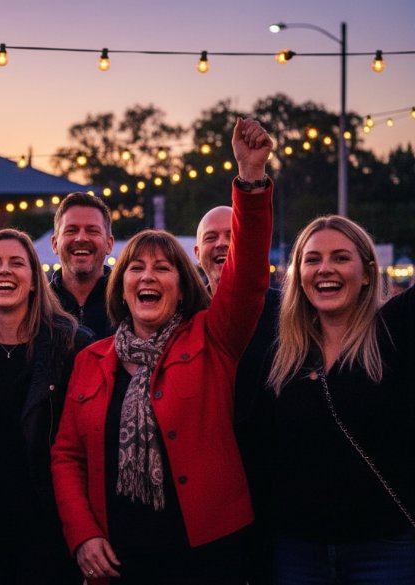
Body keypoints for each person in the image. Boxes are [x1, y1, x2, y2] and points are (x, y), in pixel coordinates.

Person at [51, 118, 274, 584]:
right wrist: (82, 534)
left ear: (182, 284)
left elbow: (248, 274)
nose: (148, 276)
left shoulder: (213, 338)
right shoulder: (91, 360)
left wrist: (250, 179)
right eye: (136, 267)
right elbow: (67, 456)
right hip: (118, 558)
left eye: (163, 268)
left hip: (207, 555)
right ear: (122, 284)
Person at [266, 215, 415, 584]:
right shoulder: (280, 350)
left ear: (367, 273)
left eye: (341, 258)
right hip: (298, 553)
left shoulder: (396, 330)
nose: (325, 269)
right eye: (312, 259)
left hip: (386, 549)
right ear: (298, 274)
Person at [0, 228, 91, 583]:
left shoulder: (71, 345)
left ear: (35, 280)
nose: (4, 270)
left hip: (48, 522)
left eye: (16, 263)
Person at [195, 205, 281, 585]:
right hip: (210, 489)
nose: (221, 243)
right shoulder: (184, 315)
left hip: (275, 482)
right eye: (211, 237)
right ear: (197, 252)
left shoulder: (286, 309)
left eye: (231, 235)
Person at [50, 192, 117, 338]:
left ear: (109, 244)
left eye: (92, 231)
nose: (81, 238)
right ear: (55, 244)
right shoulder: (38, 307)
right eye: (71, 230)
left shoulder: (127, 303)